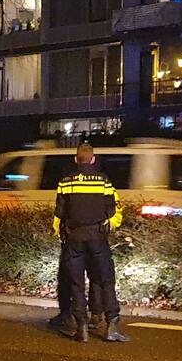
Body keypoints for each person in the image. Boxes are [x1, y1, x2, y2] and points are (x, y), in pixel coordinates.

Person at [53, 143, 128, 344]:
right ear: (93, 159)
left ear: (76, 159)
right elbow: (112, 211)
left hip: (74, 238)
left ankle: (82, 329)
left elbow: (59, 213)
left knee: (77, 283)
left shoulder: (66, 182)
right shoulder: (104, 181)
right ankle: (111, 326)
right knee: (105, 281)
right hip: (97, 237)